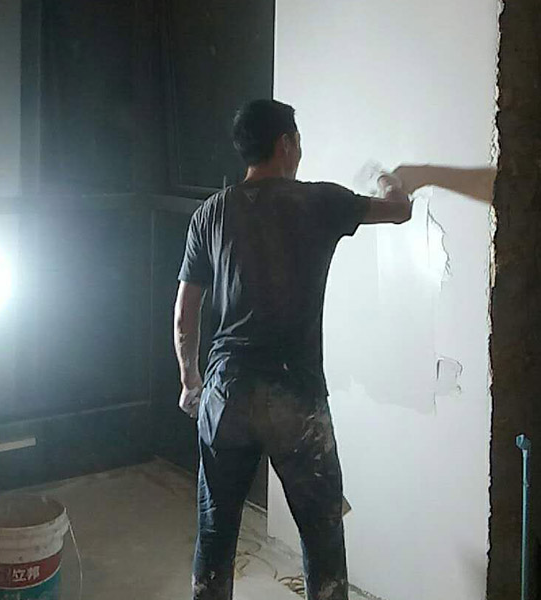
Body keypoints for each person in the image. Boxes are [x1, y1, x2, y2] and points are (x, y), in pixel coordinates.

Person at [173, 99, 412, 600]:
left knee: (216, 533)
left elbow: (184, 312)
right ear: (285, 144)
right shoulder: (319, 201)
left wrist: (190, 380)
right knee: (322, 535)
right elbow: (400, 211)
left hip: (226, 390)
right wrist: (390, 179)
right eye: (297, 141)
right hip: (295, 395)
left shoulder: (210, 213)